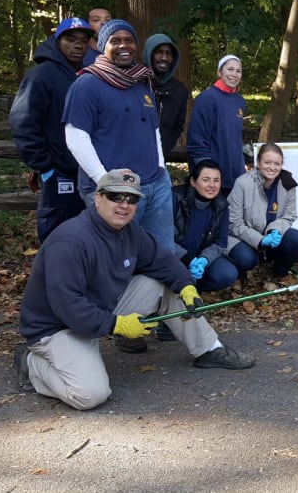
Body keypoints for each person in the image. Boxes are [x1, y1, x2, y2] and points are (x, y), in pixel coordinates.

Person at [15, 169, 255, 411]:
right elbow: (67, 305)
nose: (124, 205)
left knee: (167, 284)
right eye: (115, 197)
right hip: (57, 327)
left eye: (131, 199)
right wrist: (116, 325)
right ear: (98, 198)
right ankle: (31, 364)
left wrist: (186, 286)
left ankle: (208, 349)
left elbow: (163, 262)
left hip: (100, 308)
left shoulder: (129, 231)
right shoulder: (70, 241)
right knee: (90, 395)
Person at [62, 19, 175, 251]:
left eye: (129, 40)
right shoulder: (86, 84)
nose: (124, 46)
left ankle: (162, 289)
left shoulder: (143, 84)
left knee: (162, 253)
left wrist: (162, 169)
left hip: (155, 184)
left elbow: (153, 130)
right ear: (104, 46)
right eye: (116, 41)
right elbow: (76, 138)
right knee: (117, 257)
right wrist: (105, 181)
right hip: (113, 190)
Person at [9, 18, 94, 241]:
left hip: (89, 173)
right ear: (57, 42)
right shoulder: (41, 75)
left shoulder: (89, 76)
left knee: (88, 237)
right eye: (71, 39)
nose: (78, 45)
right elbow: (23, 122)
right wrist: (45, 167)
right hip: (59, 173)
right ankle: (51, 276)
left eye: (84, 41)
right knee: (57, 237)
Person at [227, 142, 298, 279]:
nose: (272, 167)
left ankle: (280, 273)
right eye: (267, 162)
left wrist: (275, 230)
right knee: (246, 258)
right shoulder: (242, 183)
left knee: (297, 239)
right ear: (258, 163)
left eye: (277, 164)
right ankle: (243, 276)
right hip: (244, 239)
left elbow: (289, 215)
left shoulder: (288, 184)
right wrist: (260, 240)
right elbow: (233, 223)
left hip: (270, 236)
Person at [173, 159, 244, 293]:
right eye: (206, 180)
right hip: (175, 257)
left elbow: (221, 242)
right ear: (193, 182)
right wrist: (187, 258)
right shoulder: (175, 198)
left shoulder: (221, 205)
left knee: (227, 273)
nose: (212, 185)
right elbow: (161, 238)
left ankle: (196, 289)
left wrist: (204, 259)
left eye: (216, 180)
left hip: (199, 259)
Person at [187, 54, 247, 193]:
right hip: (213, 178)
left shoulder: (240, 101)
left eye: (238, 71)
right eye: (230, 69)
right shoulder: (207, 98)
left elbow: (234, 136)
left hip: (235, 175)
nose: (234, 74)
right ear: (219, 72)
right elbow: (196, 138)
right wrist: (206, 173)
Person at [144, 33, 189, 160]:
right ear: (149, 53)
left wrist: (164, 149)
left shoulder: (180, 91)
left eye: (168, 53)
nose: (164, 58)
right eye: (158, 52)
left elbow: (178, 126)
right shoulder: (135, 84)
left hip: (159, 159)